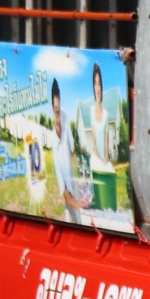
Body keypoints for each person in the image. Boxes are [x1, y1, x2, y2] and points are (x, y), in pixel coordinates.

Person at [49, 80, 90, 221]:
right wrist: (78, 203)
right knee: (73, 220)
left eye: (59, 110)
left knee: (81, 221)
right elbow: (64, 193)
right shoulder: (54, 146)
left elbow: (73, 152)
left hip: (76, 188)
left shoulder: (65, 119)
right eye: (55, 111)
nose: (58, 117)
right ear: (51, 110)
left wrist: (82, 173)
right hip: (71, 201)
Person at [88, 64, 110, 164]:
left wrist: (105, 157)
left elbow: (106, 141)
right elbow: (93, 141)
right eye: (95, 84)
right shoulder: (91, 111)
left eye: (99, 84)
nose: (97, 88)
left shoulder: (106, 114)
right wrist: (98, 159)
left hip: (103, 161)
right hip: (95, 159)